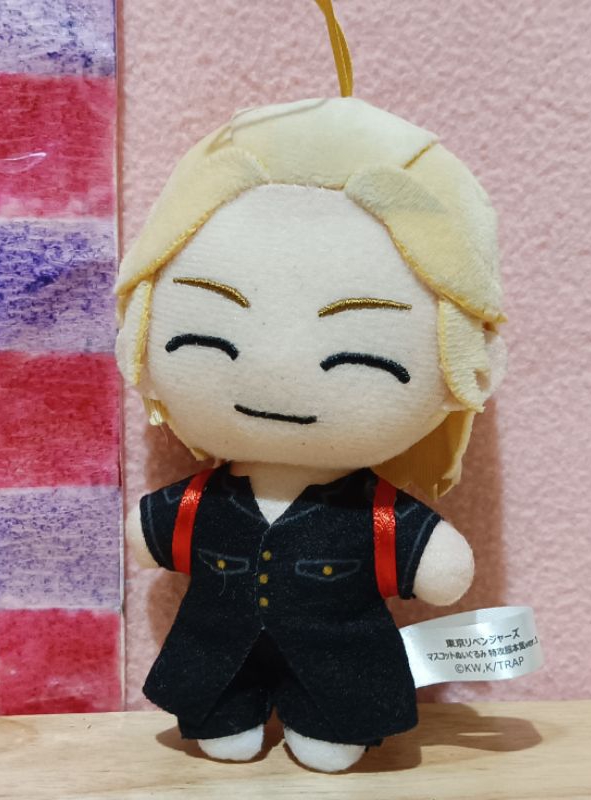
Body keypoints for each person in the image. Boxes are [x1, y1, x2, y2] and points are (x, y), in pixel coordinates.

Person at [114, 97, 506, 772]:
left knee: (337, 711)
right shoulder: (201, 503)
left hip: (342, 670)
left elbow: (440, 573)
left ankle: (325, 722)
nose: (277, 363)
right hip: (214, 657)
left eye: (356, 345)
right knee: (216, 701)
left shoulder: (375, 515)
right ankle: (228, 711)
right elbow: (151, 538)